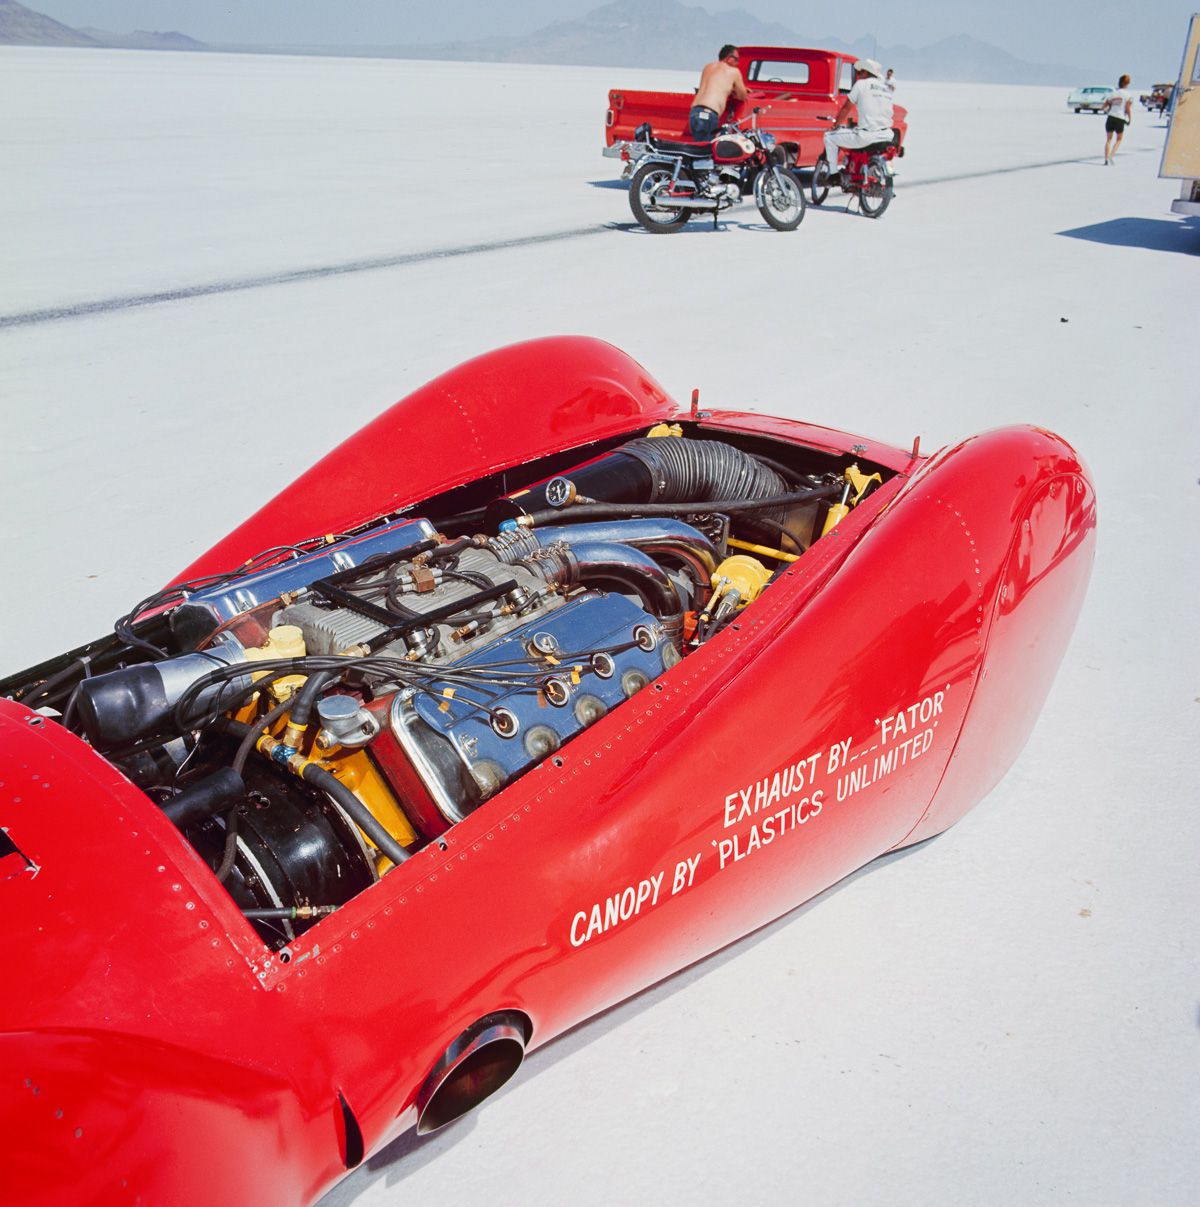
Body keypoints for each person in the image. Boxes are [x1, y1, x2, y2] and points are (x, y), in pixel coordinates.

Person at [822, 59, 894, 180]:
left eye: (859, 73)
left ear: (865, 72)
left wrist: (835, 125)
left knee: (829, 137)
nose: (858, 76)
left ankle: (833, 175)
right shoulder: (885, 88)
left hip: (867, 136)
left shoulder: (861, 85)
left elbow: (846, 108)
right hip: (886, 135)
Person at [690, 44, 748, 140]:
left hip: (695, 112)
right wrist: (742, 90)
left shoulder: (708, 67)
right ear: (729, 58)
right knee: (707, 150)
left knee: (697, 148)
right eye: (736, 59)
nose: (738, 63)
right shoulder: (733, 71)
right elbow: (742, 96)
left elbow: (714, 85)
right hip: (709, 114)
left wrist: (731, 89)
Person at [1103, 74, 1133, 163]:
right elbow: (1127, 108)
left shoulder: (1113, 93)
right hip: (1120, 118)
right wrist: (1130, 119)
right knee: (1119, 139)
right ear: (1127, 84)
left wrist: (1107, 110)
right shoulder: (1127, 95)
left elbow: (1104, 106)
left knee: (1108, 140)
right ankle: (1111, 155)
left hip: (1111, 117)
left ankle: (1106, 159)